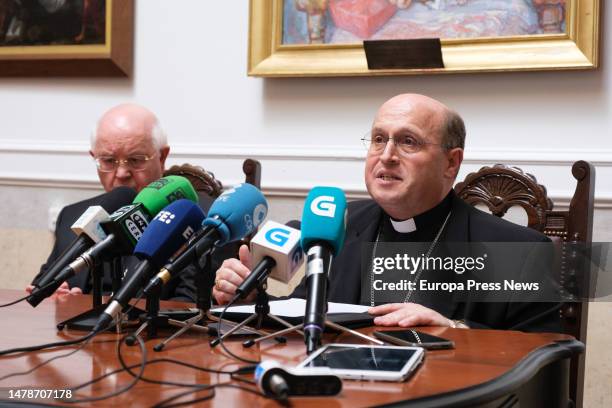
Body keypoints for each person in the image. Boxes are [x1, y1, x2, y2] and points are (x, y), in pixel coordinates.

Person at [213, 93, 561, 332]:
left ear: (450, 163)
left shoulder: (519, 253)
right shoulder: (324, 229)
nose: (387, 155)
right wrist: (250, 297)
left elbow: (542, 357)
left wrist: (455, 330)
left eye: (408, 141)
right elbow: (286, 323)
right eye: (379, 139)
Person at [27, 103, 172, 298]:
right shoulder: (72, 216)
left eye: (136, 159)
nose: (121, 173)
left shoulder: (191, 220)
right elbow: (41, 288)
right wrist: (55, 297)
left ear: (162, 157)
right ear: (94, 157)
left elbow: (191, 307)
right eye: (109, 161)